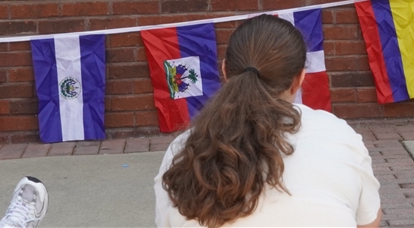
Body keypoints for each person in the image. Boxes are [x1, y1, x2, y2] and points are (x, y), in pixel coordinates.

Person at [155, 14, 381, 227]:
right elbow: (368, 221)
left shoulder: (183, 148)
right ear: (299, 78)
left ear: (225, 70)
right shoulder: (338, 133)